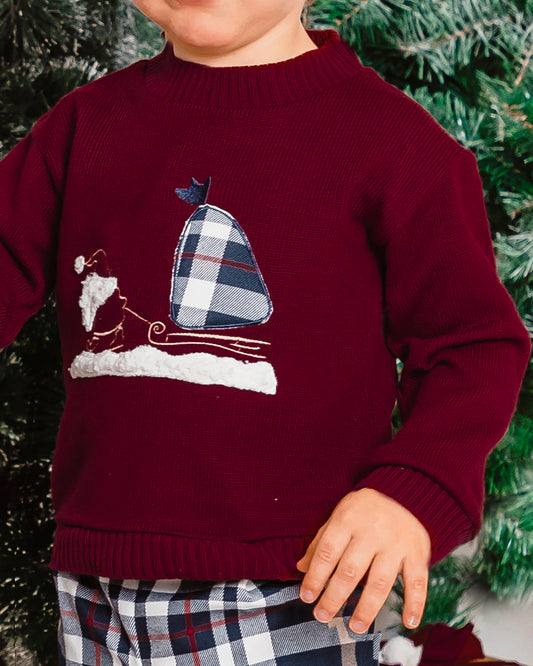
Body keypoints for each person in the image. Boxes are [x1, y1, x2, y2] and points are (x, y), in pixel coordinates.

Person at [0, 0, 530, 663]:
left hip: (293, 581)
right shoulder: (84, 126)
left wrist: (413, 490)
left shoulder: (391, 141)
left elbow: (473, 344)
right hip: (95, 578)